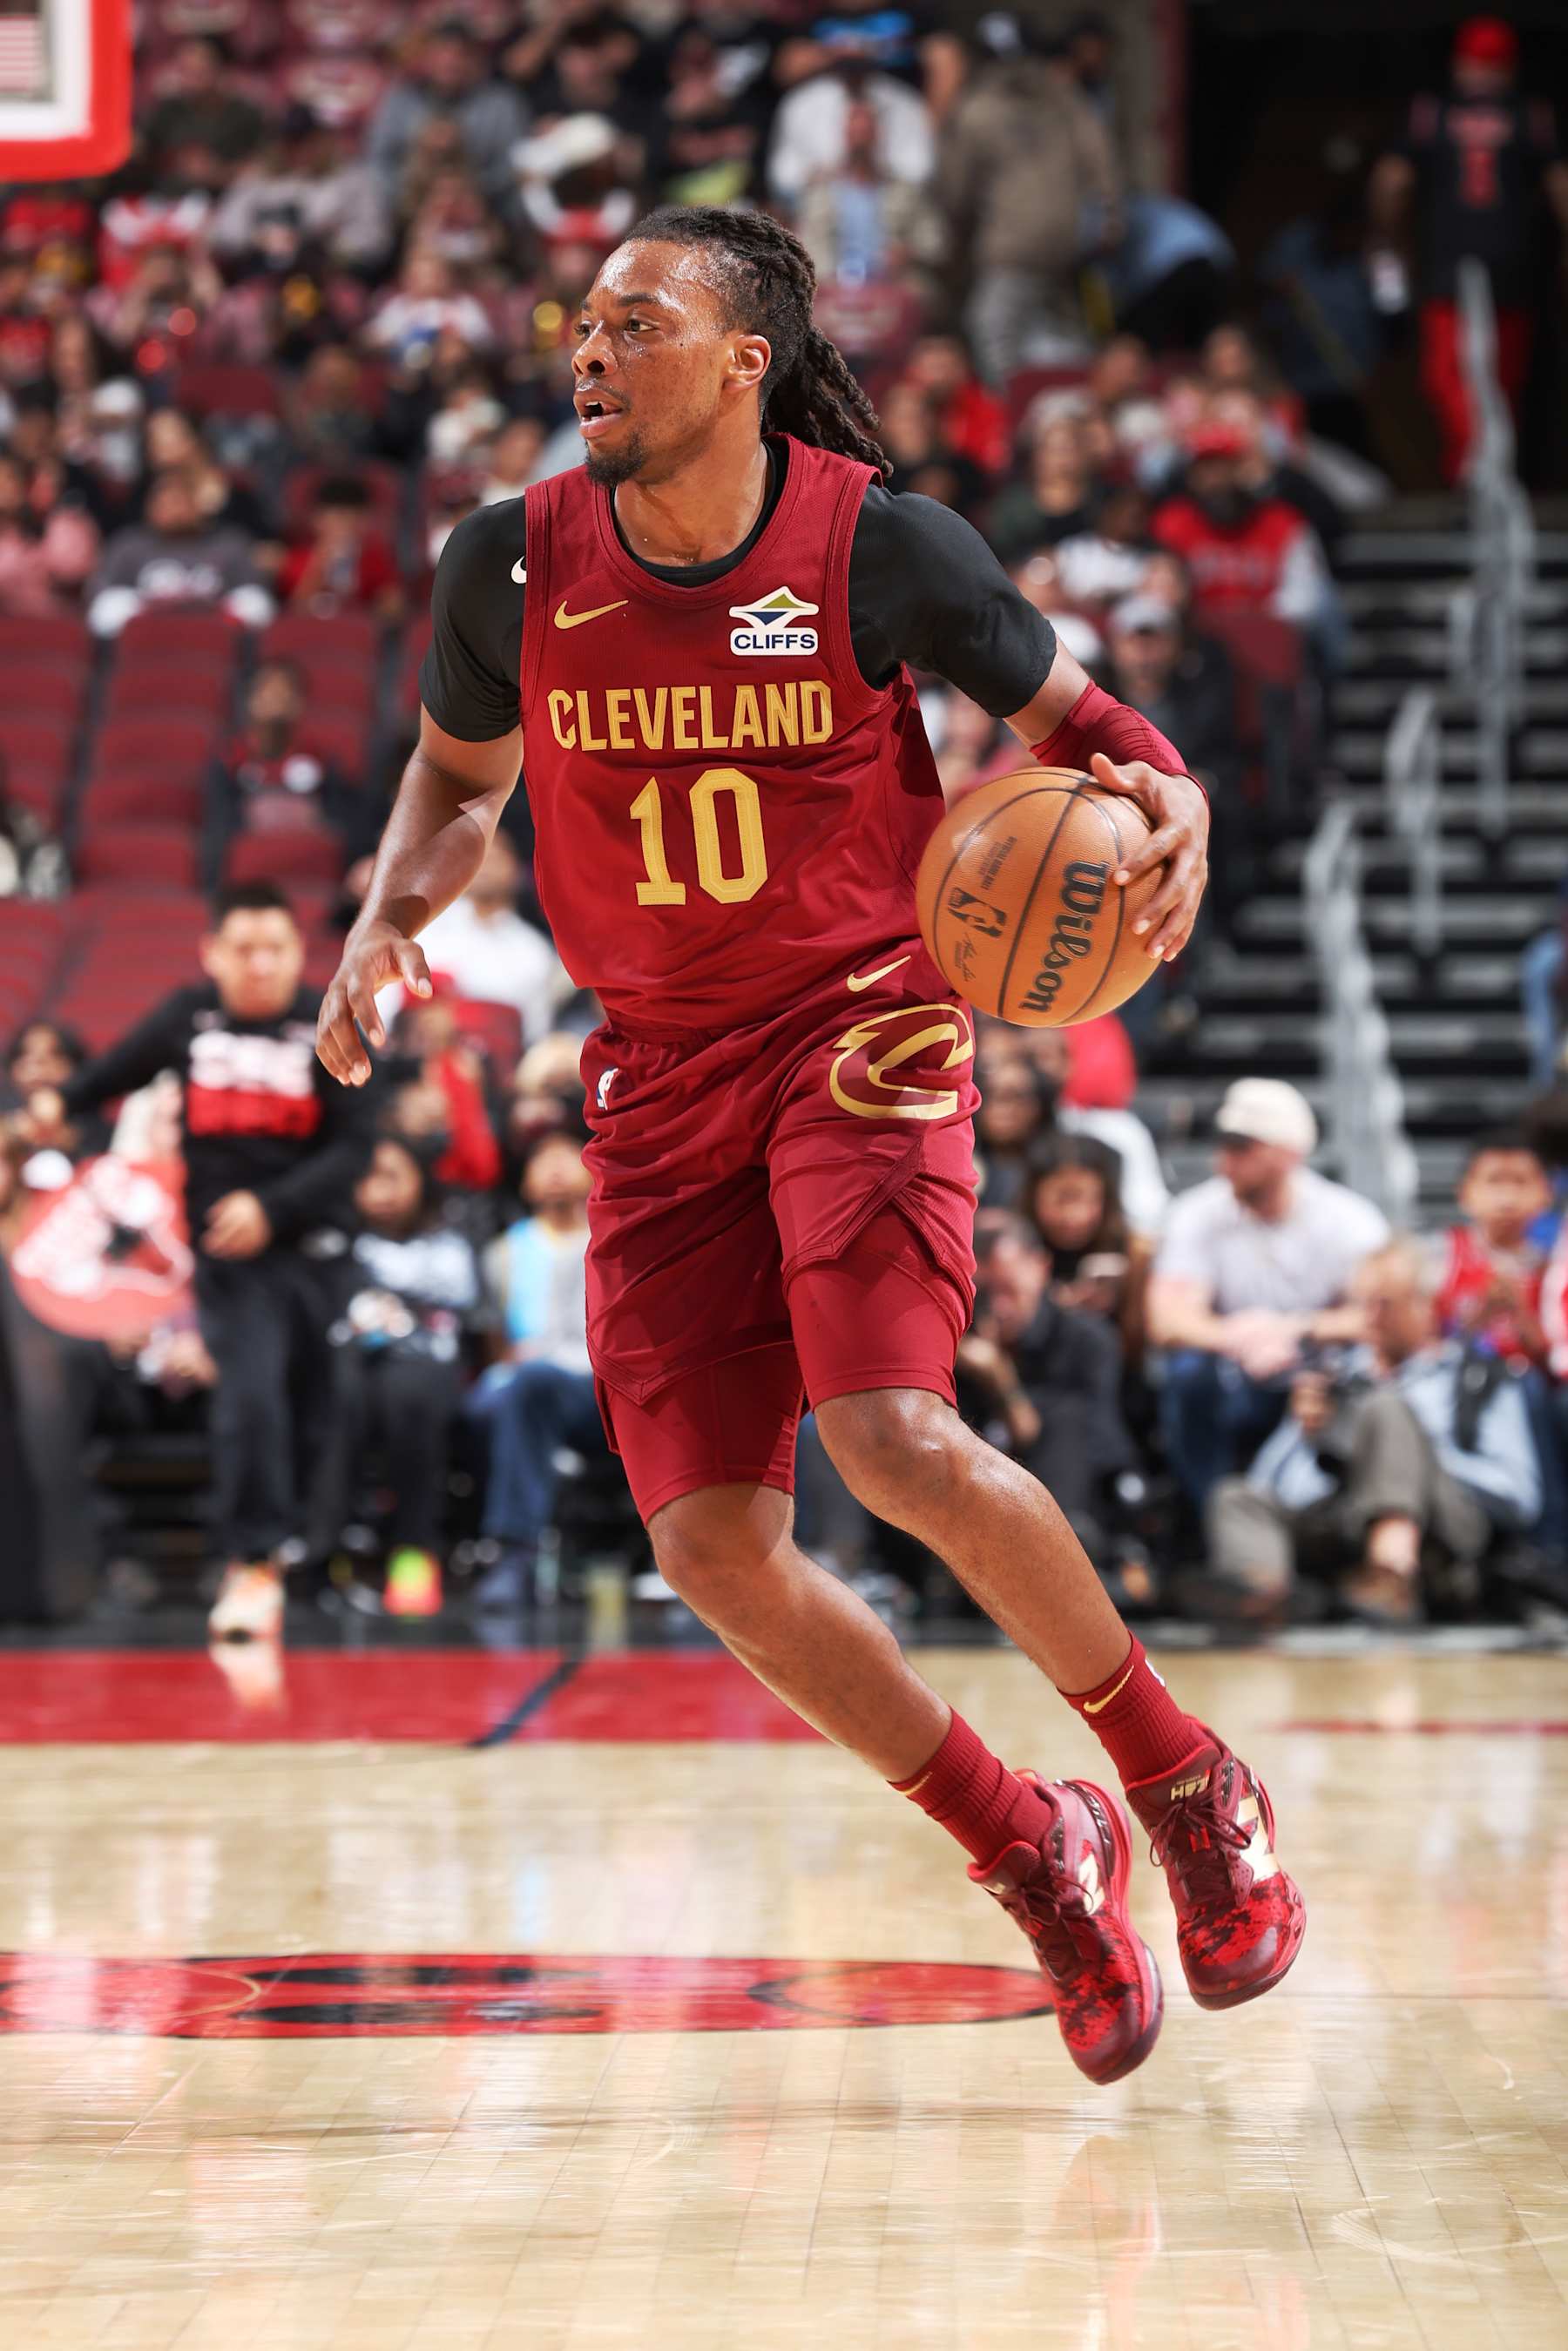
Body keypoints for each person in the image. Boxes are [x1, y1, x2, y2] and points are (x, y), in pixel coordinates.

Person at [317, 203, 1299, 2090]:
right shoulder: (508, 562)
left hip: (864, 1017)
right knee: (707, 1541)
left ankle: (1179, 1775)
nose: (586, 352)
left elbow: (1102, 733)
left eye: (635, 322)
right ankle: (1032, 1843)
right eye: (578, 324)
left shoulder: (878, 547)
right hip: (656, 1064)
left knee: (891, 1432)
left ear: (743, 360)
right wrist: (387, 916)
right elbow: (456, 779)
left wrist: (1165, 805)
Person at [24, 882, 376, 1644]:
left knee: (322, 1408)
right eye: (242, 949)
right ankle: (250, 1564)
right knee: (250, 1401)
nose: (258, 964)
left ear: (296, 954)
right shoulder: (186, 1018)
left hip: (313, 1256)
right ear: (211, 954)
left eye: (274, 948)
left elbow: (357, 1147)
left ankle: (306, 1564)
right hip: (228, 1263)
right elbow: (104, 1078)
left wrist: (273, 1207)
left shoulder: (328, 1019)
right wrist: (54, 1107)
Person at [1205, 1240, 1542, 1628]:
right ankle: (1267, 1596)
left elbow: (1519, 1495)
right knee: (1235, 1496)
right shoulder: (1337, 1380)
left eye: (1386, 1304)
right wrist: (1309, 1435)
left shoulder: (1478, 1378)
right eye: (1363, 1305)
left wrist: (1414, 1456)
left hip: (1442, 1535)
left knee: (1386, 1409)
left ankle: (1392, 1572)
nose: (1371, 1318)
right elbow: (1268, 1486)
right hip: (1344, 1523)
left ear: (1426, 1307)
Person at [1149, 1078, 1390, 1511]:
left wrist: (1293, 1330)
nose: (1226, 1161)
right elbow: (1167, 1320)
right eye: (1224, 1145)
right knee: (1188, 1373)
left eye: (1242, 1147)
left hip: (1322, 1372)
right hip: (1237, 1372)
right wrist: (1240, 1337)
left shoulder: (1347, 1220)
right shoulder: (1199, 1213)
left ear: (1288, 1152)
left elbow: (1381, 1318)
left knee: (1373, 1373)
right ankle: (1214, 1518)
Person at [1370, 16, 1568, 483]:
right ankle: (1488, 468)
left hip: (1450, 262)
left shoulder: (1432, 112)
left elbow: (1391, 182)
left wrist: (1387, 240)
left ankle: (1471, 465)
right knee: (1501, 380)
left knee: (1448, 376)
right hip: (1511, 263)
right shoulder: (1530, 115)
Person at [325, 1135, 483, 1618]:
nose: (381, 1191)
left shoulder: (449, 1245)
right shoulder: (338, 1247)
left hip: (428, 1367)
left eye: (393, 1177)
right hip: (357, 1369)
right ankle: (329, 1549)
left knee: (410, 1395)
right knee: (335, 1395)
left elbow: (470, 1315)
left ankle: (415, 1551)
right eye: (369, 1179)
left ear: (421, 1182)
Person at [469, 1131, 602, 1611]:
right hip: (533, 1383)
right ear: (523, 1183)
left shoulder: (615, 1237)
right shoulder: (503, 1252)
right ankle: (513, 1554)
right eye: (540, 1160)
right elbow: (495, 1339)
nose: (554, 1168)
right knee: (514, 1392)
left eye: (567, 1156)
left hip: (604, 1385)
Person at [86, 465, 273, 638]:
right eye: (164, 502)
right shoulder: (128, 545)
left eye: (179, 501)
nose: (173, 510)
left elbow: (256, 602)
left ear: (198, 504)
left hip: (212, 637)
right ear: (150, 507)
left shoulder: (229, 543)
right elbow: (102, 603)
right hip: (147, 639)